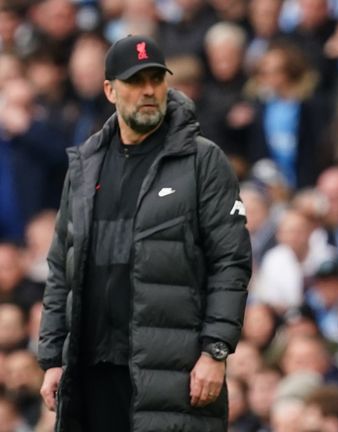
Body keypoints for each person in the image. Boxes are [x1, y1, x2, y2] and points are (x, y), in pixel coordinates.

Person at [36, 35, 252, 431]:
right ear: (109, 90)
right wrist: (53, 359)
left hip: (172, 374)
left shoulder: (203, 160)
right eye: (136, 81)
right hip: (90, 371)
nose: (149, 91)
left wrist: (215, 352)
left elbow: (231, 262)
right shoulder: (85, 165)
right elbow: (60, 270)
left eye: (156, 79)